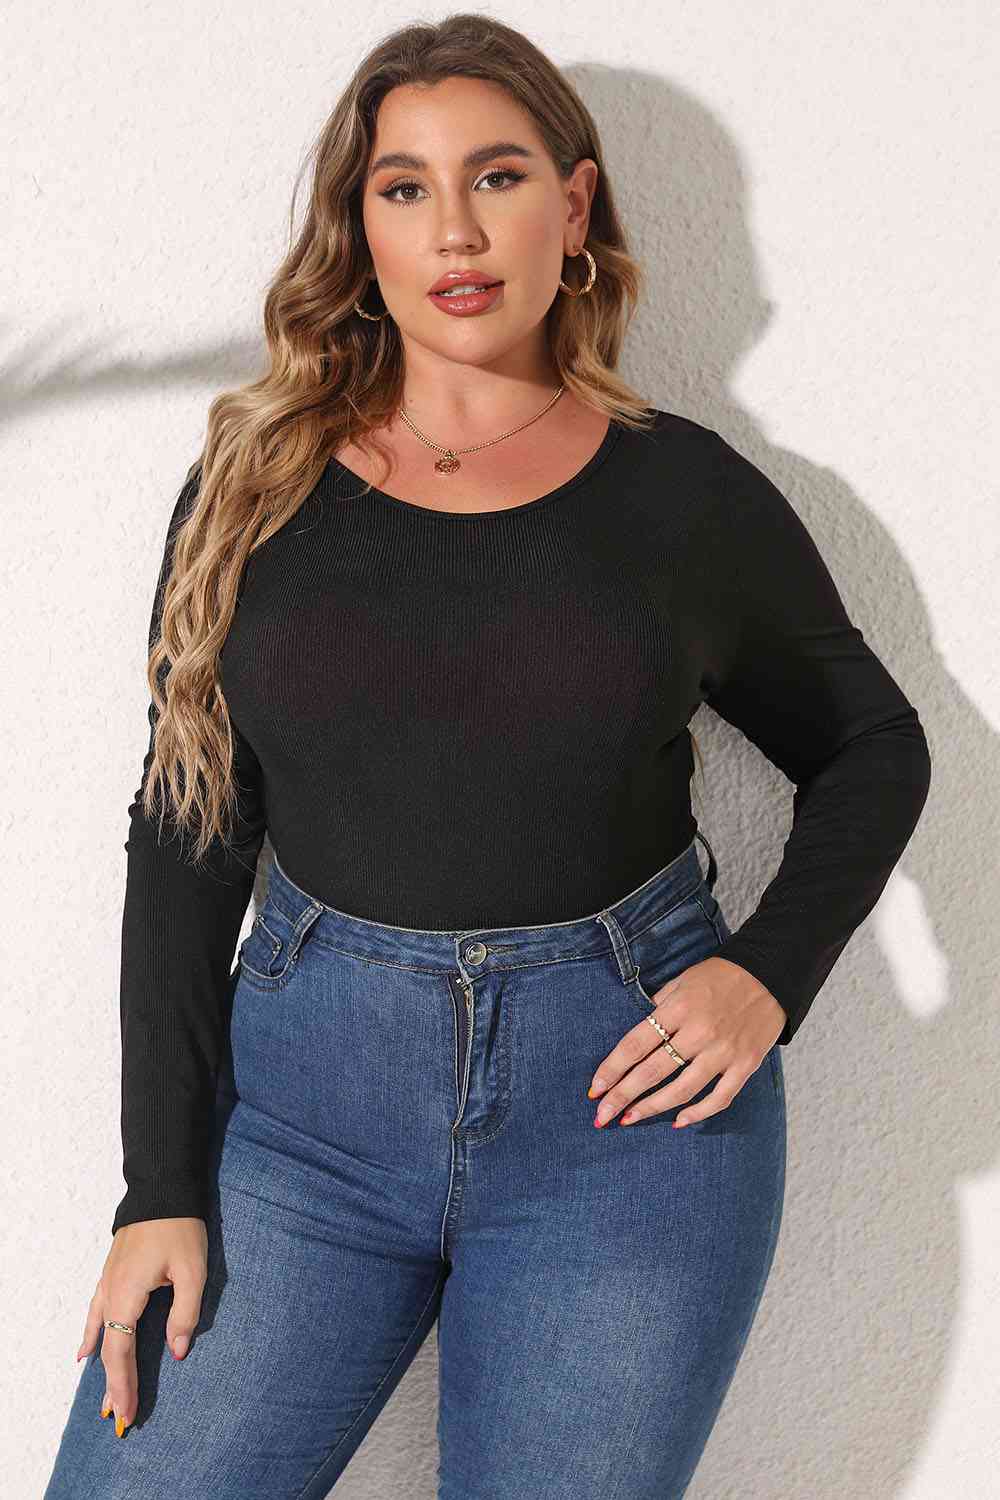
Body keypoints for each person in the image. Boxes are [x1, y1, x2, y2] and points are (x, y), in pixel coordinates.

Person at [44, 14, 932, 1499]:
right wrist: (159, 1185)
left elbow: (874, 744)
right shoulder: (252, 488)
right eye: (405, 188)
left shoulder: (685, 498)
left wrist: (769, 974)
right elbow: (187, 837)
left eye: (499, 177)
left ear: (573, 209)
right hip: (300, 1137)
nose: (454, 230)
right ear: (361, 229)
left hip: (625, 1137)